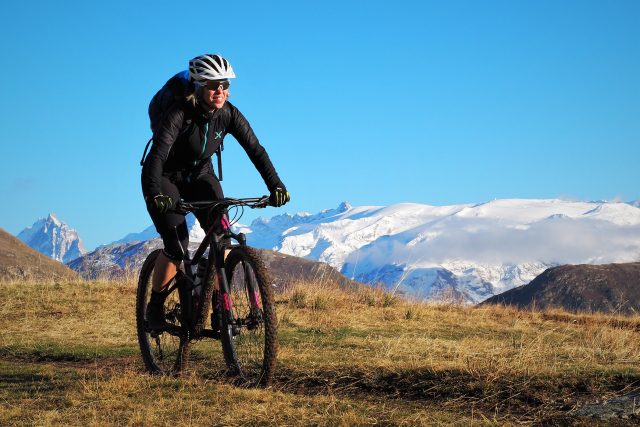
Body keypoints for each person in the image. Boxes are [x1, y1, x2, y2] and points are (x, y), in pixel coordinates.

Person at [141, 53, 289, 329]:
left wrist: (276, 186)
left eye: (224, 85)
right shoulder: (179, 113)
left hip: (200, 176)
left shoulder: (228, 113)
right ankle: (156, 306)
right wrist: (155, 193)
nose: (220, 91)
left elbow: (255, 150)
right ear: (198, 85)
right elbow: (157, 157)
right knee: (176, 246)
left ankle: (222, 306)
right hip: (164, 177)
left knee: (222, 236)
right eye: (213, 85)